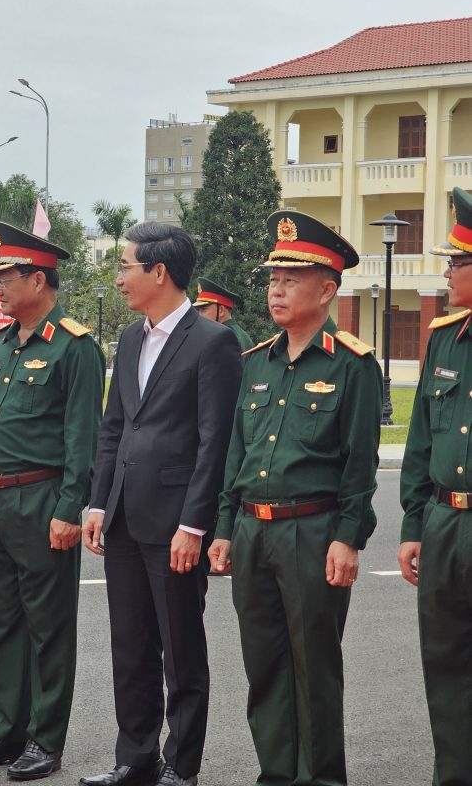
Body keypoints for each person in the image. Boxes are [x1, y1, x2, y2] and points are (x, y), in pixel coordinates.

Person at [208, 211, 381, 786]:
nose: (275, 290)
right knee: (265, 668)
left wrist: (348, 538)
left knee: (315, 669)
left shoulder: (352, 366)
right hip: (254, 533)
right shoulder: (254, 363)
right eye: (272, 279)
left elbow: (360, 465)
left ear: (327, 289)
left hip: (313, 531)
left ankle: (321, 777)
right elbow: (236, 455)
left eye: (290, 279)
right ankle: (277, 774)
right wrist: (225, 528)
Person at [80, 223, 242, 786]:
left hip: (176, 524)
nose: (118, 277)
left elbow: (213, 441)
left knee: (181, 651)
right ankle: (135, 758)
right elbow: (114, 428)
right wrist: (98, 503)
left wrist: (195, 524)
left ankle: (181, 765)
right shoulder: (129, 340)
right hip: (123, 517)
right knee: (130, 647)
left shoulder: (212, 341)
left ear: (158, 272)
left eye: (124, 266)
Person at [0, 221, 104, 781]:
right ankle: (5, 730)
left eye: (6, 277)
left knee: (48, 626)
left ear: (38, 280)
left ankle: (44, 738)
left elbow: (82, 437)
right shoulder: (2, 342)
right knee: (5, 622)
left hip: (42, 500)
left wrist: (70, 508)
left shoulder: (75, 346)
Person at [399, 187, 472, 786]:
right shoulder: (443, 337)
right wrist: (413, 526)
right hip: (446, 522)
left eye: (456, 261)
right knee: (445, 660)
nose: (446, 271)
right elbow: (421, 440)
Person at [192, 276, 253, 351]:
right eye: (199, 310)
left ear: (221, 310)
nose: (199, 315)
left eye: (204, 309)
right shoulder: (240, 335)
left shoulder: (223, 338)